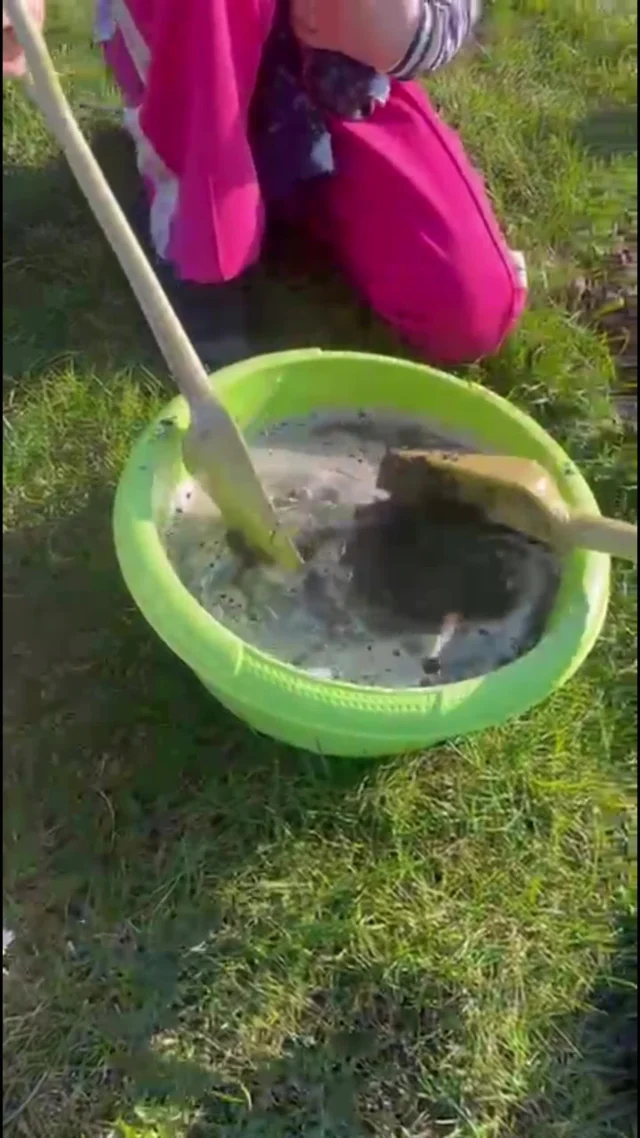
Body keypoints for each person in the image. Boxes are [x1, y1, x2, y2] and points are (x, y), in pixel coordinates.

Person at [3, 0, 527, 369]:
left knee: (469, 305)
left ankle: (291, 178)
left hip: (339, 63)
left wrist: (403, 29)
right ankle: (199, 236)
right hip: (188, 36)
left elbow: (449, 17)